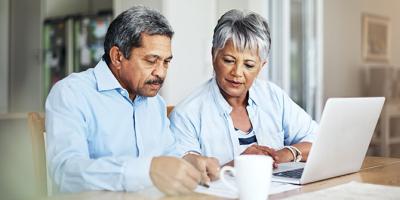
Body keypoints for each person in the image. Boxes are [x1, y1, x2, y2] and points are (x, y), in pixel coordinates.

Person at [45, 6, 202, 195]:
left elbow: (169, 156)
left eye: (166, 62)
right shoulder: (71, 93)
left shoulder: (155, 102)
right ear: (117, 57)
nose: (160, 72)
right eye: (151, 61)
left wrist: (188, 161)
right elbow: (66, 173)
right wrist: (147, 170)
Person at [170, 9, 318, 174]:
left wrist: (287, 153)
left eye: (249, 65)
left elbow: (319, 139)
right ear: (213, 55)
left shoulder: (273, 96)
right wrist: (239, 164)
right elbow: (184, 175)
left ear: (262, 66)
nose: (237, 73)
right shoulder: (186, 114)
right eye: (229, 61)